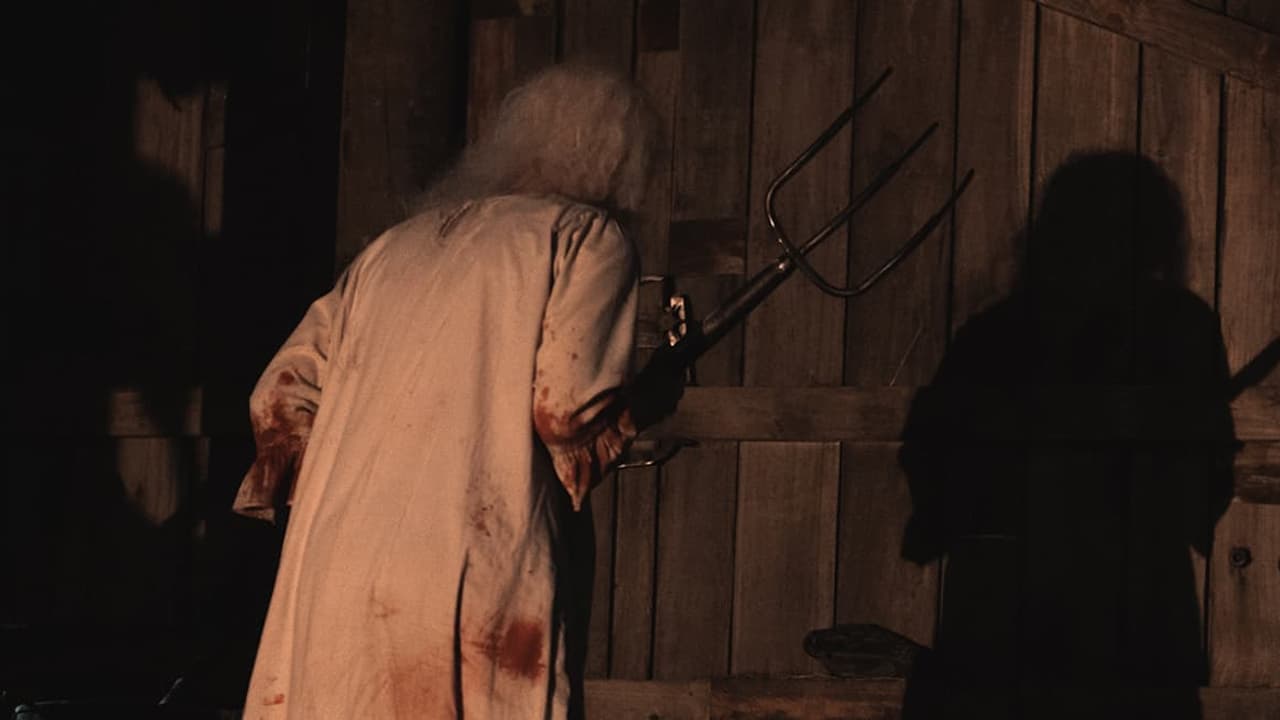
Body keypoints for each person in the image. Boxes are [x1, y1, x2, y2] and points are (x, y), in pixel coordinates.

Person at [231, 64, 679, 718]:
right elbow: (566, 410)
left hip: (333, 565)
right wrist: (638, 404)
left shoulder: (391, 249)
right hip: (469, 565)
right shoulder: (583, 236)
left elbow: (280, 394)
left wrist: (341, 486)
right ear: (622, 161)